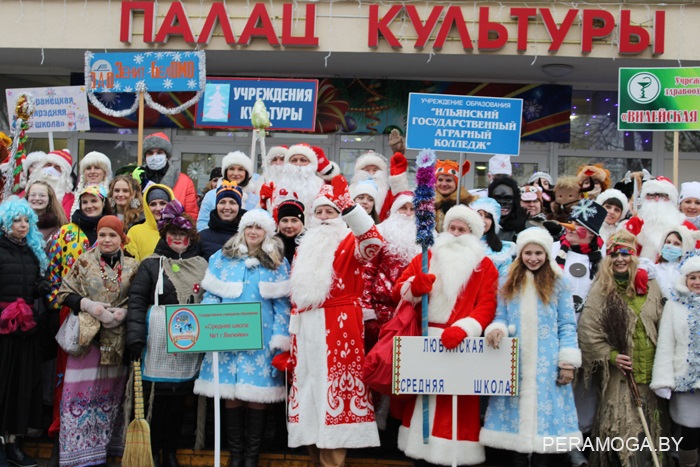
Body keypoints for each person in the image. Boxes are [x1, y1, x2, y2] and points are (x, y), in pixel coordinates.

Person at [281, 175, 383, 466]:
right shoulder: (304, 247)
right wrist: (292, 337)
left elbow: (374, 241)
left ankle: (333, 463)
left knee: (333, 396)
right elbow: (297, 296)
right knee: (310, 398)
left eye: (331, 211)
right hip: (306, 331)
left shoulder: (350, 241)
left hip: (339, 326)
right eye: (320, 212)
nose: (325, 217)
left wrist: (349, 207)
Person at [392, 204, 498, 466]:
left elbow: (487, 305)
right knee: (422, 406)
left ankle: (454, 458)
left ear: (473, 235)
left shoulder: (485, 266)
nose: (455, 233)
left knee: (457, 408)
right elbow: (399, 290)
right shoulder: (426, 257)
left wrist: (465, 328)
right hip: (425, 341)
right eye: (452, 227)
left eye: (462, 229)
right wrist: (414, 288)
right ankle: (421, 456)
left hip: (461, 344)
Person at [194, 209, 291, 467]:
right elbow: (212, 295)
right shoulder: (222, 258)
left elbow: (283, 305)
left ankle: (251, 458)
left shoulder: (277, 261)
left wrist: (280, 338)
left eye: (259, 228)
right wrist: (209, 326)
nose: (253, 232)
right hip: (228, 335)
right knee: (231, 393)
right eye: (249, 227)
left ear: (267, 232)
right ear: (242, 230)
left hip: (262, 337)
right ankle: (236, 456)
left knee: (257, 395)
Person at [481, 227, 581, 466]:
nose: (533, 258)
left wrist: (567, 361)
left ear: (546, 254)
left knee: (543, 443)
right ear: (520, 254)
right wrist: (497, 329)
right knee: (513, 445)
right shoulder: (507, 279)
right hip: (516, 366)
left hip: (547, 368)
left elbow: (567, 324)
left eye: (538, 253)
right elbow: (501, 316)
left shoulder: (559, 282)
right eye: (528, 253)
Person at [126, 200, 208, 467]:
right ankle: (152, 451)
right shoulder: (151, 265)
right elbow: (137, 301)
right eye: (173, 234)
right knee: (156, 401)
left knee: (177, 401)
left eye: (183, 235)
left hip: (187, 343)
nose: (178, 239)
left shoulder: (201, 266)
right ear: (165, 235)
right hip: (156, 344)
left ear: (190, 238)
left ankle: (170, 452)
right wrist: (135, 337)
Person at [578, 230, 670, 467]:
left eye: (626, 253)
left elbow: (666, 325)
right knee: (622, 433)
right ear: (608, 258)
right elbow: (588, 331)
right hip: (621, 378)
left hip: (651, 377)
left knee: (652, 435)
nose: (620, 259)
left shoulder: (652, 285)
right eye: (615, 254)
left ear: (634, 256)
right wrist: (612, 356)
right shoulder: (601, 289)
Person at [55, 216, 138, 467]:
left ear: (121, 238)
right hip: (86, 342)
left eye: (112, 235)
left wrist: (124, 313)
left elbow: (140, 297)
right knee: (79, 397)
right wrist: (88, 305)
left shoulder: (134, 266)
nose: (106, 240)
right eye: (102, 235)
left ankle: (103, 453)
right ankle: (77, 457)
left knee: (109, 397)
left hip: (117, 342)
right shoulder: (83, 261)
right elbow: (64, 292)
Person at [46, 185, 112, 440]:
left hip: (104, 316)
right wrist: (56, 305)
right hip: (70, 313)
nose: (89, 205)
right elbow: (52, 272)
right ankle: (61, 427)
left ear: (102, 202)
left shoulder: (111, 230)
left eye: (93, 200)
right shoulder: (66, 233)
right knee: (68, 373)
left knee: (97, 375)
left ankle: (93, 431)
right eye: (84, 201)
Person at [0, 197, 49, 467]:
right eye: (16, 220)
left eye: (25, 220)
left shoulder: (33, 252)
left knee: (21, 386)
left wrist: (41, 285)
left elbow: (33, 287)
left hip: (26, 329)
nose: (22, 225)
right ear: (5, 223)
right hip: (2, 330)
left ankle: (14, 443)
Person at [651, 252, 700, 467]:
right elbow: (666, 343)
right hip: (685, 380)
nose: (697, 282)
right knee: (688, 431)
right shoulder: (674, 305)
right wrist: (663, 379)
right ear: (685, 280)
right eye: (693, 277)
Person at [360, 191, 418, 352]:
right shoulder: (379, 234)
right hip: (380, 312)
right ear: (394, 211)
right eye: (403, 208)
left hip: (412, 312)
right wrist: (367, 311)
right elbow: (366, 273)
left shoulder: (427, 239)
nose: (407, 213)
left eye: (412, 209)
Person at [624, 176, 696, 260]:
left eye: (663, 195)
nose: (657, 199)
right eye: (652, 195)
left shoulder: (686, 227)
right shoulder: (635, 225)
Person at [138, 132, 199, 220]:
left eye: (159, 152)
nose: (154, 156)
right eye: (150, 153)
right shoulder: (136, 179)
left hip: (174, 231)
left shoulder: (184, 181)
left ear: (167, 155)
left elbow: (191, 214)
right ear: (145, 156)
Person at [197, 151, 260, 231]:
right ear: (225, 172)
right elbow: (202, 225)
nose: (236, 173)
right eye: (231, 169)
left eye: (240, 169)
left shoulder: (255, 199)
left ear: (247, 173)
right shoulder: (211, 195)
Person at [126, 184, 174, 262]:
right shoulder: (135, 232)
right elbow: (132, 265)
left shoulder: (180, 231)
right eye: (153, 204)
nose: (158, 208)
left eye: (163, 203)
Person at [199, 181, 245, 261]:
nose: (227, 207)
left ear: (239, 207)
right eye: (222, 202)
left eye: (232, 203)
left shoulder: (247, 235)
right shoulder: (202, 237)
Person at [471, 197, 515, 279]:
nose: (482, 220)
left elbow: (503, 283)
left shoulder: (502, 252)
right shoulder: (459, 242)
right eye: (479, 214)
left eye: (488, 217)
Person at [27, 149, 75, 219]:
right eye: (48, 165)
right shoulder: (28, 190)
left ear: (64, 174)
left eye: (57, 167)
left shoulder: (70, 199)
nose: (50, 169)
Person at [653, 226, 698, 299]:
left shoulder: (690, 273)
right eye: (668, 242)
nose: (670, 246)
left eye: (676, 244)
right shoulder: (653, 269)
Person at [434, 159, 473, 232]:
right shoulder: (427, 202)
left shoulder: (466, 205)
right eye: (440, 180)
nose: (444, 184)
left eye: (448, 180)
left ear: (456, 183)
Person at [69, 151, 113, 216]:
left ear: (105, 172)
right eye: (88, 168)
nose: (92, 172)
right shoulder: (75, 195)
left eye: (97, 168)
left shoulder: (113, 193)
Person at [488, 176, 528, 241]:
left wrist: (520, 231)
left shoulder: (526, 225)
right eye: (498, 198)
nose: (502, 202)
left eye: (507, 198)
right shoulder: (483, 224)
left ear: (515, 200)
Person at [273, 197, 305, 266]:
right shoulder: (270, 245)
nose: (289, 226)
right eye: (285, 221)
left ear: (301, 223)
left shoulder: (310, 244)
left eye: (294, 221)